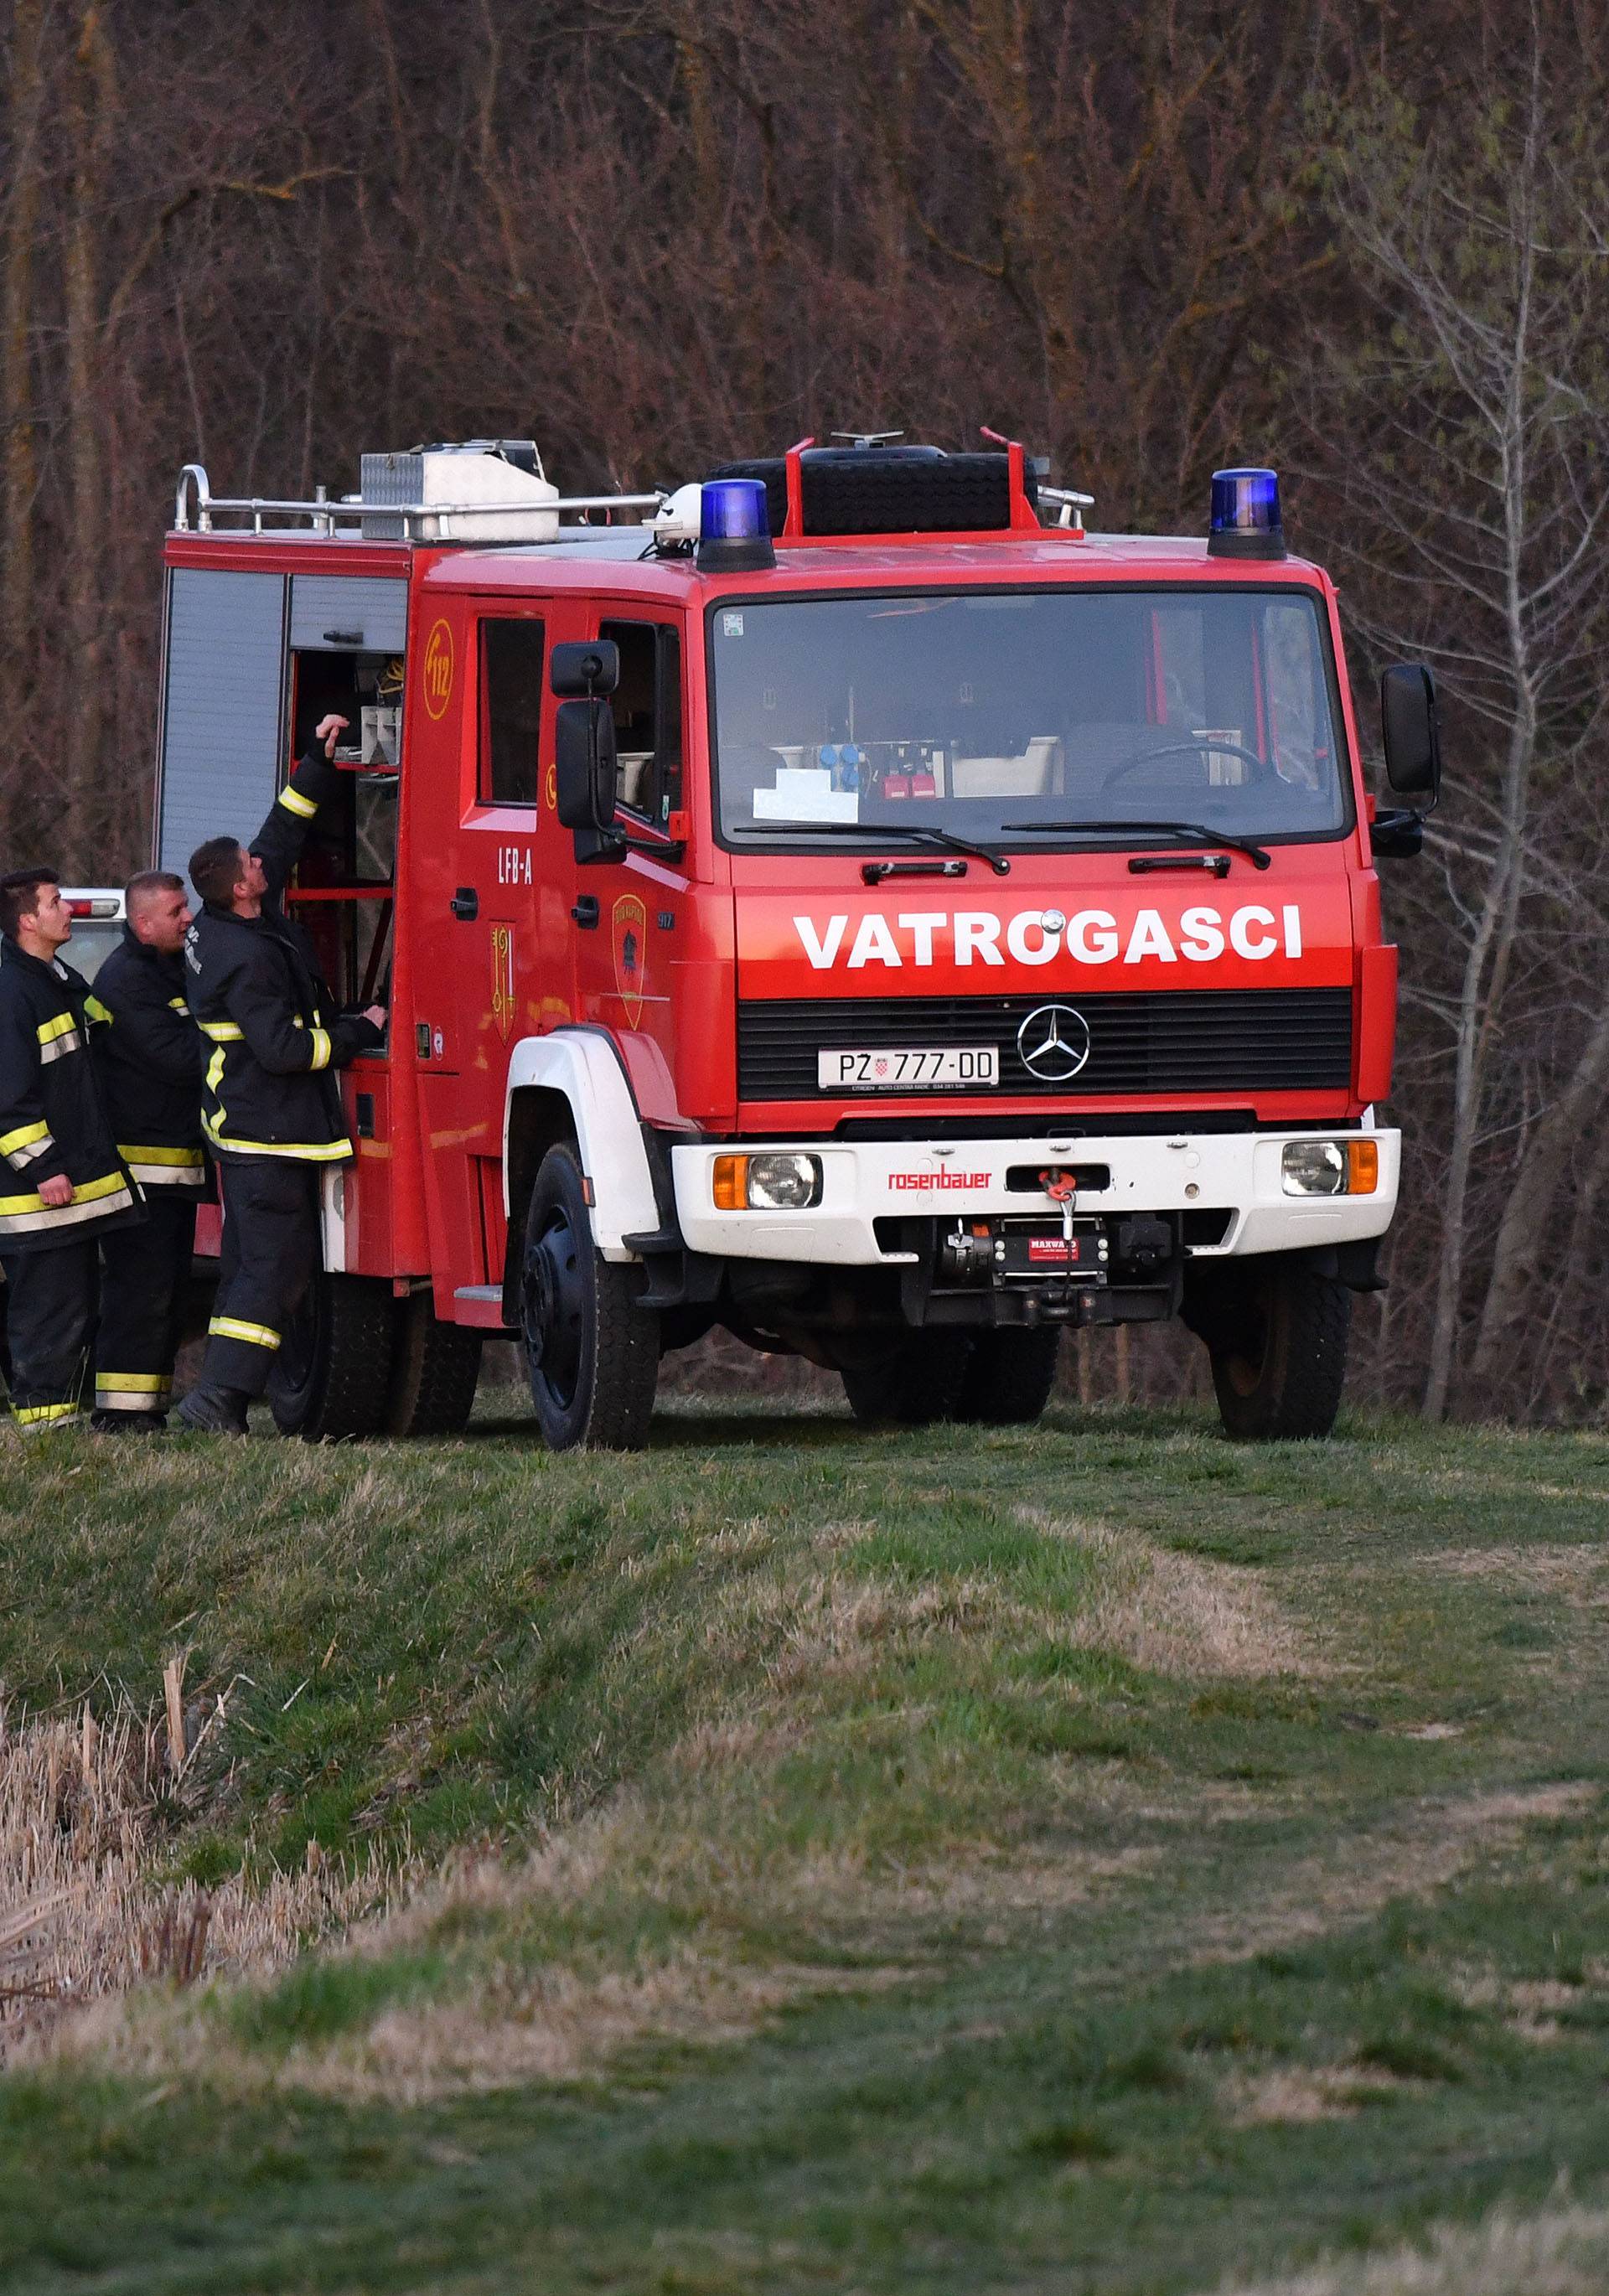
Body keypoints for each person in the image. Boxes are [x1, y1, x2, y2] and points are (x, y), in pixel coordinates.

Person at [177, 716, 385, 1434]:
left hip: (244, 1131)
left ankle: (216, 1395)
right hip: (268, 1136)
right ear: (240, 889)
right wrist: (360, 1033)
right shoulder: (249, 958)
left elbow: (278, 838)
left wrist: (314, 765)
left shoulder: (221, 922)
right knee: (275, 1270)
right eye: (252, 868)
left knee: (248, 1268)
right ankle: (219, 1401)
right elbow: (286, 1050)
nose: (264, 866)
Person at [0, 868, 140, 1432]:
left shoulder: (52, 980)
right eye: (57, 902)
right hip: (37, 1194)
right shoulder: (13, 992)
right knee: (48, 1310)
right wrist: (43, 1167)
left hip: (68, 1191)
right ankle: (45, 1426)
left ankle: (54, 1416)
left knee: (70, 1305)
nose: (69, 911)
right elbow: (8, 1097)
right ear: (28, 920)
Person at [88, 870, 209, 1431]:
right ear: (143, 923)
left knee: (167, 1291)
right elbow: (181, 1059)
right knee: (141, 1294)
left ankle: (146, 1414)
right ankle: (120, 1416)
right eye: (177, 910)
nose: (189, 918)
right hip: (143, 1174)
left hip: (171, 1169)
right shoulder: (128, 982)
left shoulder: (160, 970)